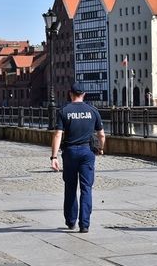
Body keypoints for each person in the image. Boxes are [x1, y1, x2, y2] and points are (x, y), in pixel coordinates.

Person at [51, 83, 105, 233]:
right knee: (86, 188)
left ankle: (71, 220)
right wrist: (100, 148)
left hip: (70, 152)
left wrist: (53, 156)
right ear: (84, 94)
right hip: (87, 152)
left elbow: (57, 134)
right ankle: (85, 224)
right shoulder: (92, 111)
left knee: (70, 186)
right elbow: (101, 134)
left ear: (70, 94)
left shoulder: (64, 111)